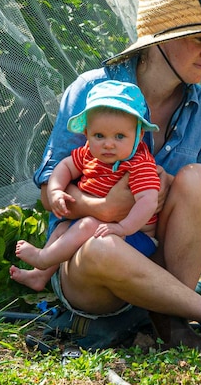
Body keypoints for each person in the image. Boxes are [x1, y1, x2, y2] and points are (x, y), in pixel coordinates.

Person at [30, 0, 201, 355]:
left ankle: (168, 316)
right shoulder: (91, 91)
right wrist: (103, 209)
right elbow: (48, 190)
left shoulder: (200, 106)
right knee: (103, 246)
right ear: (162, 42)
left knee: (200, 179)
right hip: (88, 266)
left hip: (153, 249)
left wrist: (167, 185)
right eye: (199, 39)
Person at [10, 80, 162, 290]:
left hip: (136, 237)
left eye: (120, 136)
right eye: (99, 135)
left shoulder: (139, 164)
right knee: (63, 227)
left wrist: (121, 227)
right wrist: (55, 190)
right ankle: (39, 276)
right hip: (101, 226)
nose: (108, 144)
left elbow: (148, 201)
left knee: (88, 224)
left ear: (139, 135)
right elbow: (65, 167)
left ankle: (43, 258)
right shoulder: (89, 153)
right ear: (87, 134)